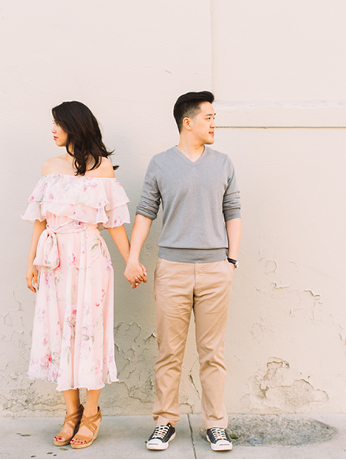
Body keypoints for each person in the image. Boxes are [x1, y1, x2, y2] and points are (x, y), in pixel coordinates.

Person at [125, 91, 241, 452]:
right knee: (169, 352)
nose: (214, 123)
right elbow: (145, 211)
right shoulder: (161, 164)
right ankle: (165, 422)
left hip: (214, 269)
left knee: (212, 353)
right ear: (187, 122)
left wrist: (231, 260)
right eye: (208, 117)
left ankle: (216, 425)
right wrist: (132, 258)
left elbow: (233, 211)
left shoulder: (223, 163)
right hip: (173, 269)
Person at [22, 100, 141, 449]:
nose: (53, 130)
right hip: (55, 259)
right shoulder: (49, 167)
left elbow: (115, 222)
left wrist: (130, 260)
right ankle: (70, 413)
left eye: (58, 124)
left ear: (75, 126)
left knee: (89, 332)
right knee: (59, 332)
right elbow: (40, 220)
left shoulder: (102, 169)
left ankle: (91, 414)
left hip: (90, 259)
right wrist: (30, 263)